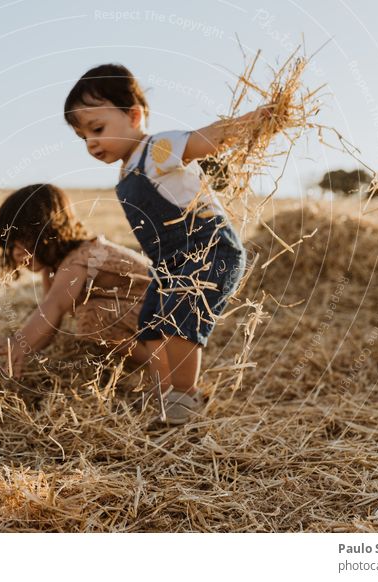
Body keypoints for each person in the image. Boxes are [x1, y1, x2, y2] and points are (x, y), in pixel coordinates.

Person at [63, 63, 274, 424]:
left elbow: (207, 138)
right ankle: (165, 391)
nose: (92, 143)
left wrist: (257, 119)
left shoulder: (158, 150)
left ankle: (184, 396)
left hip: (207, 249)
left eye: (97, 129)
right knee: (151, 323)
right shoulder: (126, 171)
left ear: (133, 115)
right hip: (170, 263)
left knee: (180, 320)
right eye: (84, 138)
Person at [0, 183, 153, 380]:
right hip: (141, 315)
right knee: (92, 313)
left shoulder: (79, 258)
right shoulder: (52, 267)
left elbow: (54, 305)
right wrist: (22, 350)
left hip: (163, 309)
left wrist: (19, 341)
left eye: (23, 239)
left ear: (50, 231)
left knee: (92, 314)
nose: (16, 251)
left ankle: (160, 362)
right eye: (10, 243)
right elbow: (51, 322)